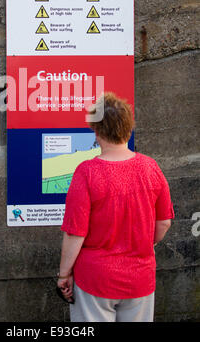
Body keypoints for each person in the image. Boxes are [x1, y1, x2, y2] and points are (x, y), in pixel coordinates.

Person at [57, 92, 175, 322]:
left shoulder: (87, 172)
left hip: (95, 279)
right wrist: (142, 244)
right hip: (140, 277)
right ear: (128, 127)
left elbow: (75, 233)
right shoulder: (151, 168)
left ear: (97, 130)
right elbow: (164, 222)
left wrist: (63, 274)